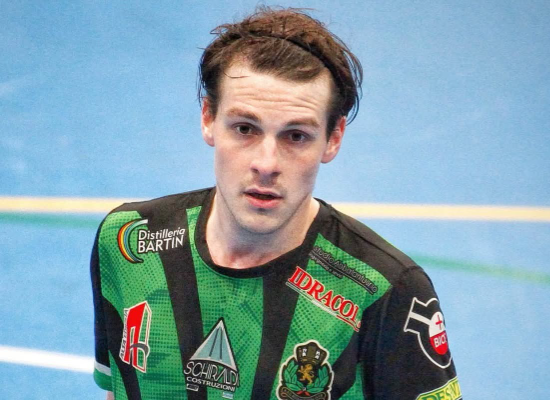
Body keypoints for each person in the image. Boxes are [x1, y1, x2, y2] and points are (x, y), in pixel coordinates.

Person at [91, 7, 461, 400]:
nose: (266, 164)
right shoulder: (129, 243)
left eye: (296, 136)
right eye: (245, 128)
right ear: (208, 118)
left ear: (333, 138)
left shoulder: (385, 291)